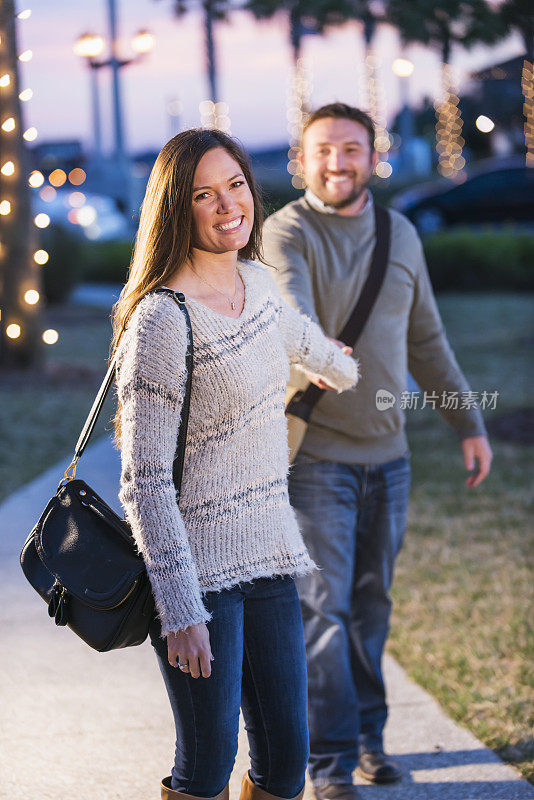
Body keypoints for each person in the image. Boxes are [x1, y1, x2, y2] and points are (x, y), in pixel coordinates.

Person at [110, 127, 359, 800]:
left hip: (271, 558)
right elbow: (145, 479)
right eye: (203, 195)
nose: (228, 207)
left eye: (236, 185)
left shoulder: (257, 281)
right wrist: (181, 609)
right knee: (209, 761)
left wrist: (343, 366)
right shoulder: (162, 320)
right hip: (199, 578)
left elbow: (303, 339)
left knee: (285, 760)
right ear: (176, 209)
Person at [262, 102, 493, 799]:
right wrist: (320, 349)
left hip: (390, 459)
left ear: (373, 156)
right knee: (323, 610)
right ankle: (330, 763)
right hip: (317, 457)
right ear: (303, 161)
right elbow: (289, 309)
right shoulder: (286, 231)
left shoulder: (402, 233)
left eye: (351, 149)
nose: (338, 162)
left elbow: (426, 340)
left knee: (372, 606)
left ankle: (369, 739)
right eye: (324, 150)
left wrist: (468, 424)